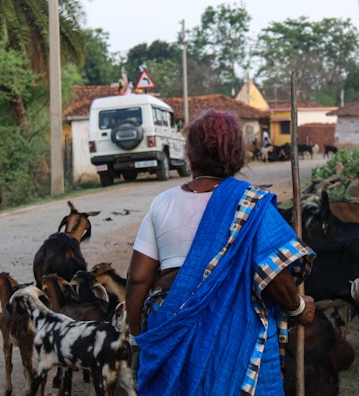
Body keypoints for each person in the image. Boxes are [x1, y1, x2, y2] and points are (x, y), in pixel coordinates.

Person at [126, 109, 316, 396]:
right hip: (233, 335)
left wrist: (139, 335)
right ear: (237, 155)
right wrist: (299, 308)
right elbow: (274, 273)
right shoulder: (253, 204)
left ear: (191, 153)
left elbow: (138, 279)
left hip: (168, 325)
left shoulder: (162, 203)